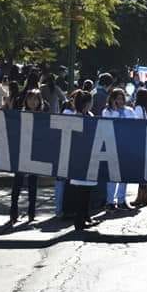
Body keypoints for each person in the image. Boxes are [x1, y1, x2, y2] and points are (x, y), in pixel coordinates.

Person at [9, 89, 44, 224]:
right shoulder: (21, 115)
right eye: (30, 99)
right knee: (17, 184)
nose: (33, 102)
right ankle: (13, 211)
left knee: (33, 185)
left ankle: (31, 212)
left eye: (36, 99)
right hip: (21, 153)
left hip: (35, 154)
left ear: (40, 101)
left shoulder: (43, 117)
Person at [65, 91, 98, 231]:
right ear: (87, 103)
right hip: (81, 159)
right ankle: (79, 221)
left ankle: (85, 216)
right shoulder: (77, 118)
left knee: (87, 192)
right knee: (82, 193)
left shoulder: (89, 116)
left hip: (88, 158)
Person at [101, 88, 137, 210]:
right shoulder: (107, 111)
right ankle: (110, 201)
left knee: (124, 174)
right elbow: (110, 123)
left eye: (122, 99)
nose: (120, 101)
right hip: (112, 145)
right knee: (112, 175)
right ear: (112, 99)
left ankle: (121, 200)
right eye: (117, 99)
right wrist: (115, 110)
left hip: (126, 145)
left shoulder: (129, 111)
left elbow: (135, 125)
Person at [131, 87, 147, 208]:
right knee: (144, 171)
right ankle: (144, 195)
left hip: (140, 140)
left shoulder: (139, 108)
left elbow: (136, 123)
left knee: (140, 171)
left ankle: (141, 196)